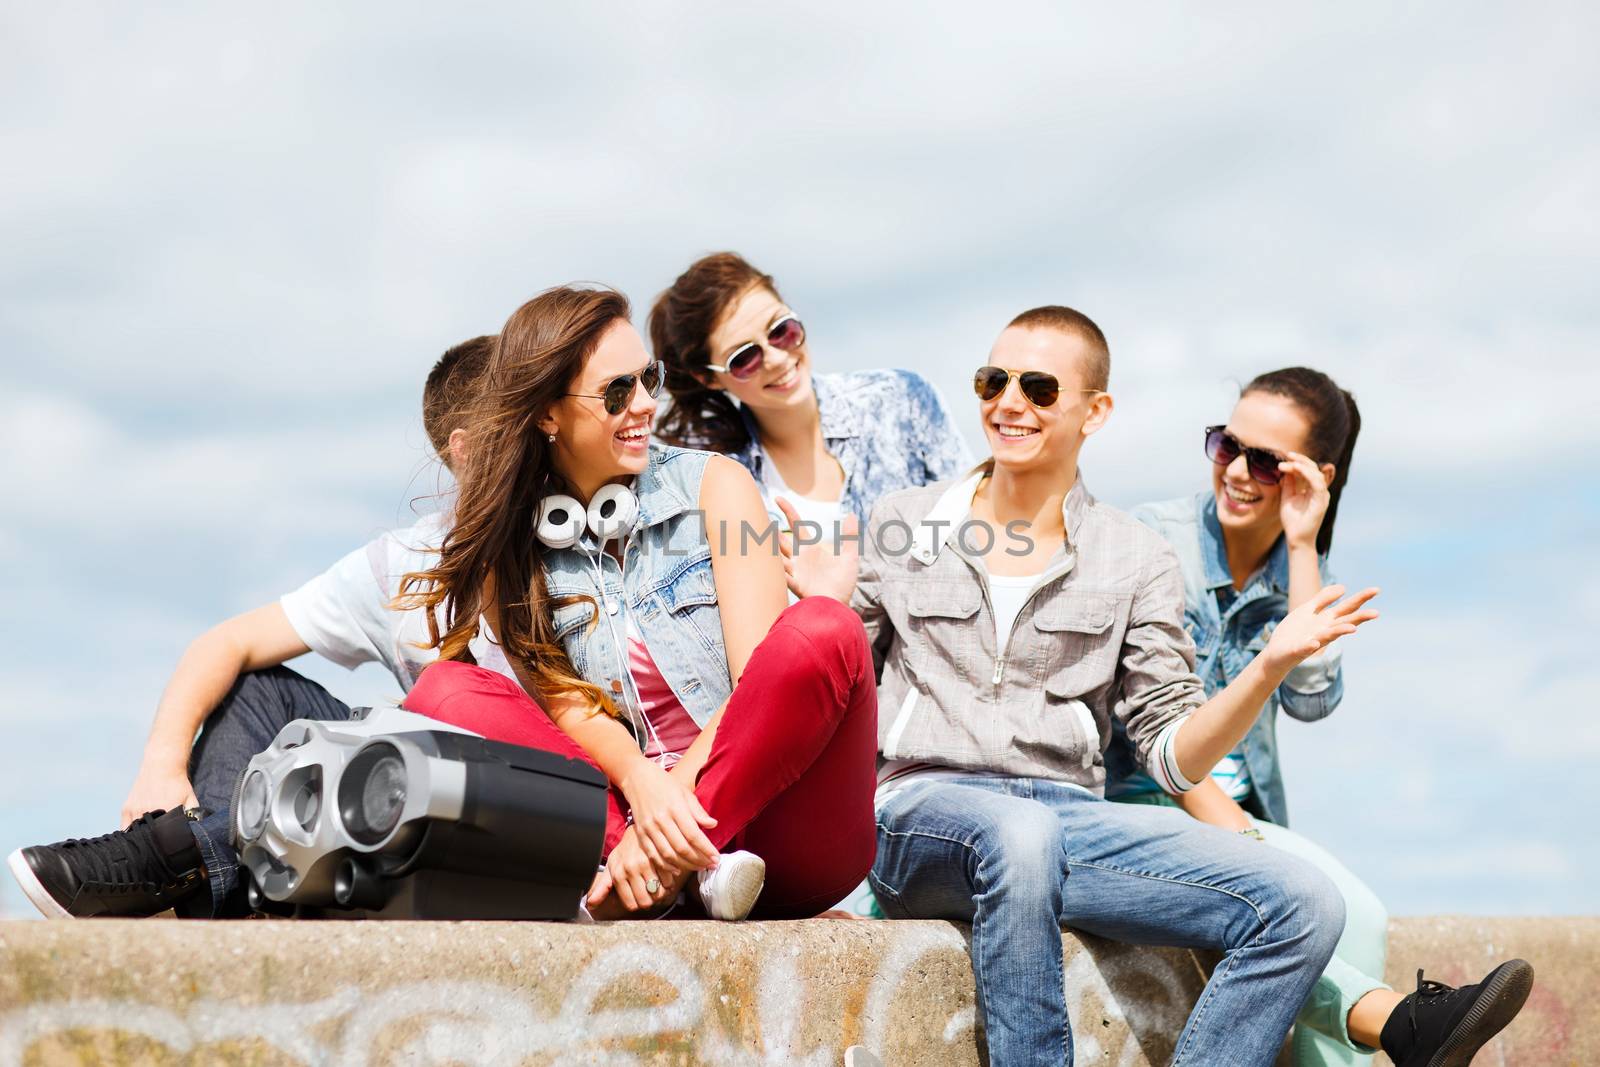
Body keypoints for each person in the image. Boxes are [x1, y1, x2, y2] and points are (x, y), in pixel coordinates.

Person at [788, 303, 1386, 1066]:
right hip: (920, 815)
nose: (1008, 402)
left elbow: (1172, 755)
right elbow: (827, 704)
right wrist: (818, 606)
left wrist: (1268, 666)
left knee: (1306, 902)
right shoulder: (904, 525)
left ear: (1094, 410)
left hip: (1069, 818)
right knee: (1020, 835)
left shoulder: (1135, 556)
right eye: (992, 380)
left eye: (1038, 388)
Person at [394, 283, 879, 922]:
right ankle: (682, 873)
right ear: (547, 414)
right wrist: (642, 784)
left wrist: (665, 820)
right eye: (616, 392)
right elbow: (568, 706)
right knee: (444, 687)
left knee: (824, 628)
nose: (646, 404)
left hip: (777, 832)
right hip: (640, 819)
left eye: (647, 377)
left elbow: (752, 690)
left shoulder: (718, 486)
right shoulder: (513, 547)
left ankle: (663, 870)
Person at [1105, 367, 1533, 1067]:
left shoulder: (1300, 569)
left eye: (1266, 462)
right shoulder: (1155, 543)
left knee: (1360, 913)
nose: (1239, 473)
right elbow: (1149, 726)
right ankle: (1405, 1027)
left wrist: (1303, 544)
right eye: (1225, 445)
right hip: (1146, 800)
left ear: (1313, 476)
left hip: (1235, 817)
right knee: (1304, 905)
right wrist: (1240, 835)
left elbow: (1310, 696)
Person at [8, 335, 511, 919]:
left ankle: (183, 862)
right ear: (469, 452)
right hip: (409, 802)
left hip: (514, 804)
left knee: (400, 749)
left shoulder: (579, 535)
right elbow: (224, 642)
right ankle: (214, 876)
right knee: (253, 688)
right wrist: (160, 767)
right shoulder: (403, 561)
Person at [650, 251, 973, 534]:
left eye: (781, 330)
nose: (777, 359)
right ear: (709, 378)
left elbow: (976, 525)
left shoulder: (902, 400)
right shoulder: (712, 478)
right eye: (745, 357)